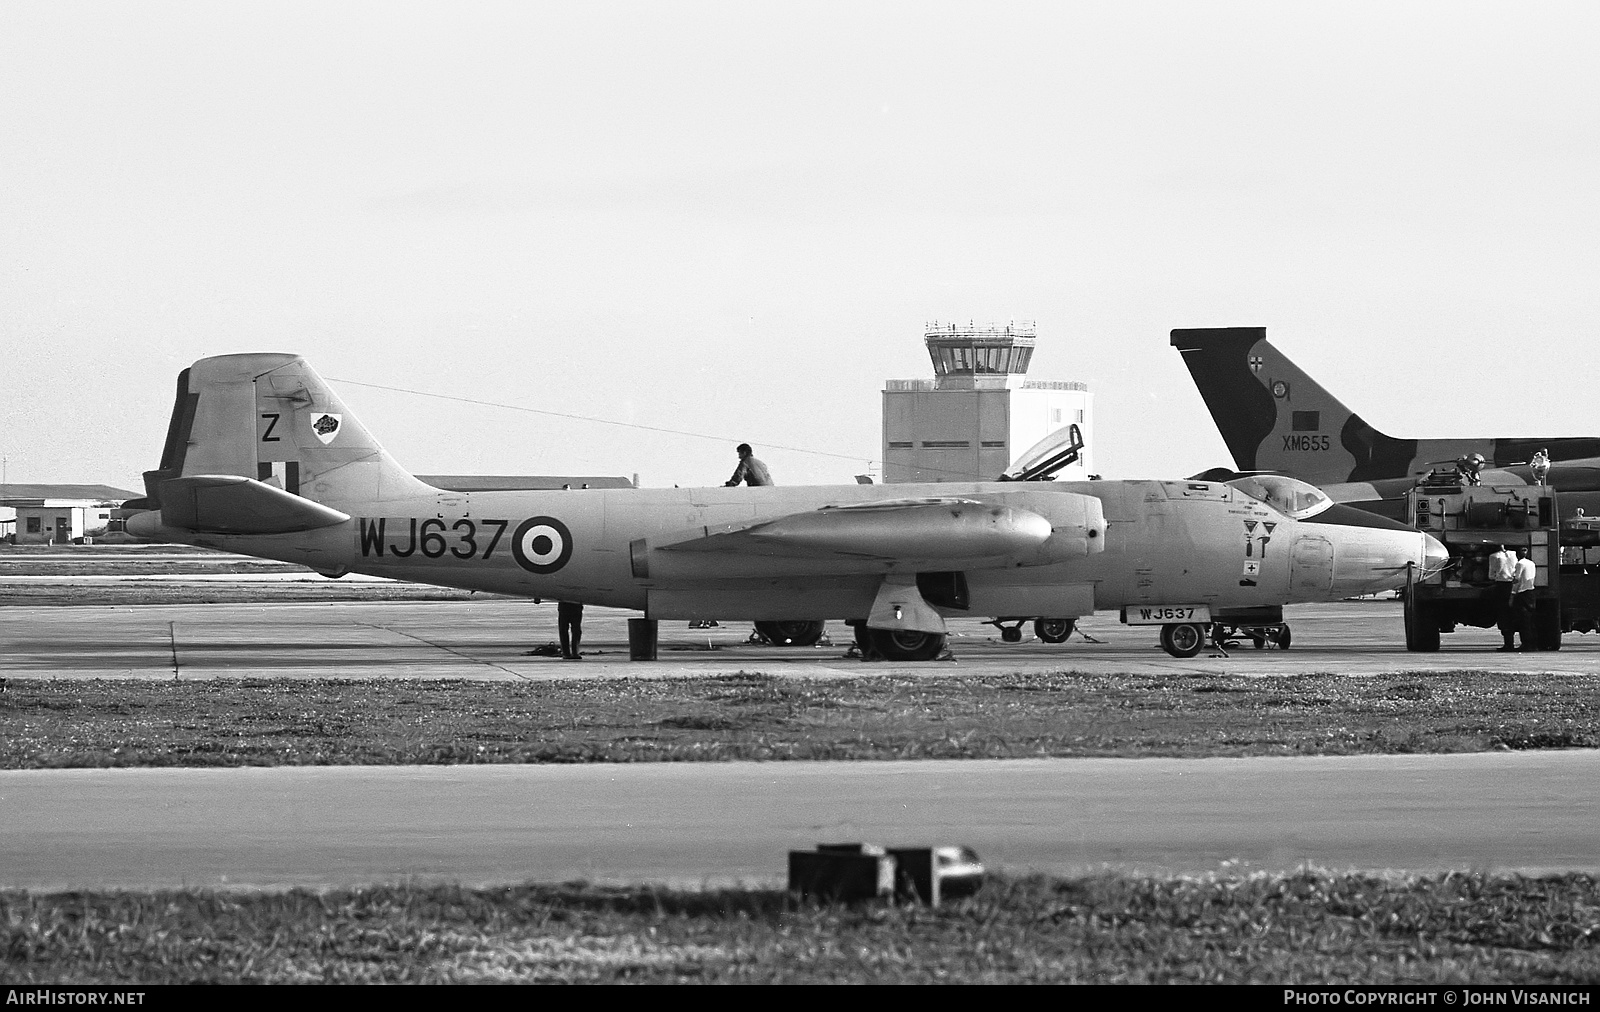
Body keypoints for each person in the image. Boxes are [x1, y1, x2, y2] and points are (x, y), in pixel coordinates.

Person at [1487, 544, 1518, 651]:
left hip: (1501, 585)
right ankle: (1511, 642)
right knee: (1509, 613)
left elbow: (1491, 575)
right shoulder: (1513, 554)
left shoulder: (1494, 556)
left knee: (1503, 614)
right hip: (1512, 584)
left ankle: (1508, 643)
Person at [1510, 548, 1539, 651]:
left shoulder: (1519, 564)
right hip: (1531, 591)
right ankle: (1533, 643)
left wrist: (1512, 594)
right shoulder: (1532, 563)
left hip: (1522, 593)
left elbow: (1517, 579)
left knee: (1523, 621)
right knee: (1531, 620)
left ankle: (1526, 643)